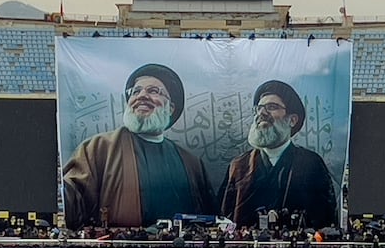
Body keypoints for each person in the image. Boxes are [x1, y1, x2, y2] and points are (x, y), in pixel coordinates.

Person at [62, 64, 215, 228]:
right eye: (136, 91)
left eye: (153, 91)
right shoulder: (98, 149)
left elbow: (209, 216)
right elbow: (70, 201)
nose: (142, 96)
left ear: (170, 108)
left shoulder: (191, 164)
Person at [219, 80, 338, 230]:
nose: (262, 113)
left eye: (271, 107)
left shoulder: (311, 164)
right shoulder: (238, 166)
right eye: (259, 108)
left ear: (292, 120)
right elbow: (224, 219)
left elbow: (325, 220)